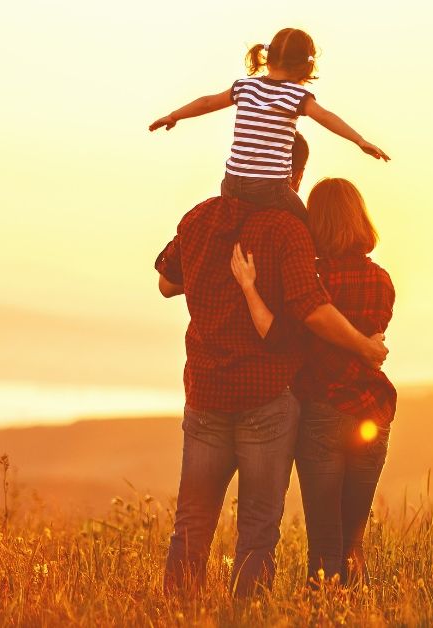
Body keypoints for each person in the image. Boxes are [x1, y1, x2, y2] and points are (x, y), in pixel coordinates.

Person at [154, 139, 388, 597]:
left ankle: (177, 612)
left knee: (192, 518)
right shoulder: (287, 229)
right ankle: (247, 613)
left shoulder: (200, 217)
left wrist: (216, 278)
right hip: (266, 396)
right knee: (259, 525)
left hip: (206, 393)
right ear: (292, 175)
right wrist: (363, 345)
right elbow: (309, 307)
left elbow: (166, 283)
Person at [230, 177, 395, 586]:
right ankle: (359, 615)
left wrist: (250, 288)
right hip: (372, 412)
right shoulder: (382, 280)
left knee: (325, 542)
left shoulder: (311, 281)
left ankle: (323, 614)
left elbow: (280, 334)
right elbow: (374, 336)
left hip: (321, 413)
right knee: (353, 540)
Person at [148, 27, 389, 222]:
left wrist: (174, 115)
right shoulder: (296, 96)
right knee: (303, 226)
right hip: (270, 188)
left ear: (268, 57)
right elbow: (326, 117)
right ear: (306, 65)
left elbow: (207, 102)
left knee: (230, 222)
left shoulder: (245, 86)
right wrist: (359, 140)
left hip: (232, 182)